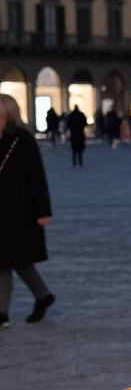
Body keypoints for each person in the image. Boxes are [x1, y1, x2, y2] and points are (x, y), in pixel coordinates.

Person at [0, 94, 55, 326]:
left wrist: (43, 211)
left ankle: (4, 312)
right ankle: (41, 297)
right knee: (6, 260)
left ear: (8, 113)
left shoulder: (22, 140)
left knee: (14, 260)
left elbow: (37, 177)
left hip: (19, 210)